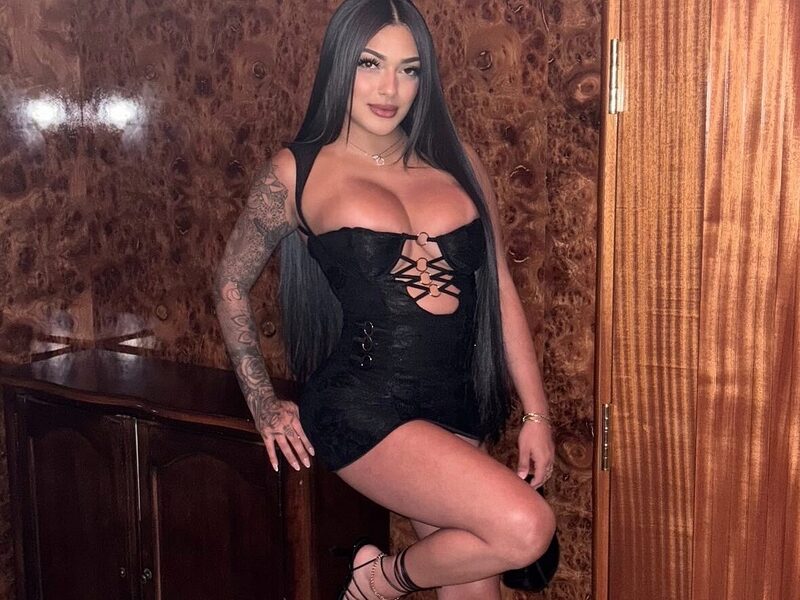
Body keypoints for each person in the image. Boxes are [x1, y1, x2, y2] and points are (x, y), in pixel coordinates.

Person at [213, 1, 556, 598]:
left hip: (456, 405)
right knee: (526, 525)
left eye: (409, 69)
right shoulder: (297, 171)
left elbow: (498, 286)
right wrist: (262, 402)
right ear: (339, 62)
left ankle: (379, 578)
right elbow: (229, 283)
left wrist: (536, 414)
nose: (389, 88)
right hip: (362, 406)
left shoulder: (458, 162)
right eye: (370, 64)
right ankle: (379, 580)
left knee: (476, 591)